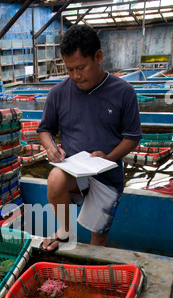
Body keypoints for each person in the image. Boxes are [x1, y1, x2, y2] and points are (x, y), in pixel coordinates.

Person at [37, 24, 142, 252]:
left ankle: (94, 269)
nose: (76, 76)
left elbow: (132, 137)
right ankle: (64, 233)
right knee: (55, 178)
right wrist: (51, 148)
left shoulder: (123, 92)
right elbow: (44, 130)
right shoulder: (58, 93)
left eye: (81, 67)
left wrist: (109, 157)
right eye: (70, 69)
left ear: (99, 57)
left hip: (107, 174)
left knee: (99, 239)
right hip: (75, 172)